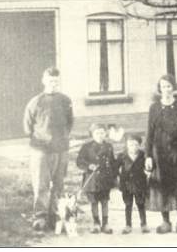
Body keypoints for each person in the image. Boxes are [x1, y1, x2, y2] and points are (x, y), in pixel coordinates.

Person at [23, 67, 73, 231]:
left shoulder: (65, 100)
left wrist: (62, 139)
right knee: (41, 185)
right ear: (44, 81)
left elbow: (69, 123)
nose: (54, 84)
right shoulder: (35, 102)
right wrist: (42, 140)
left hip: (61, 149)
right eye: (51, 81)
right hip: (41, 151)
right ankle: (40, 217)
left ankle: (55, 216)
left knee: (59, 184)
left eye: (56, 81)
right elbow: (27, 127)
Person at [145, 74, 177, 235]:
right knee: (162, 186)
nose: (165, 90)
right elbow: (149, 133)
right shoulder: (154, 108)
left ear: (173, 87)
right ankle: (165, 221)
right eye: (162, 86)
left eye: (168, 86)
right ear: (159, 89)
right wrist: (148, 156)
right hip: (159, 154)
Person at [76, 123, 117, 234]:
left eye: (102, 132)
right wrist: (89, 166)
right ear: (92, 134)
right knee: (94, 202)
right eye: (97, 133)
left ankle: (105, 224)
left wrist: (114, 176)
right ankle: (96, 223)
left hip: (105, 179)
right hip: (92, 179)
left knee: (104, 201)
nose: (100, 135)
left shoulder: (108, 146)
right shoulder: (86, 147)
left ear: (105, 134)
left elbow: (113, 162)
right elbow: (79, 161)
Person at [117, 134, 149, 234]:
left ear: (139, 145)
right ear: (126, 145)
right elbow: (114, 168)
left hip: (140, 184)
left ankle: (144, 224)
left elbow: (150, 166)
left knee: (141, 204)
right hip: (126, 184)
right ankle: (128, 225)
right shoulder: (122, 156)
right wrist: (119, 177)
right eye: (131, 145)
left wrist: (149, 168)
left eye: (136, 145)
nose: (133, 147)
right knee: (128, 204)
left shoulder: (143, 155)